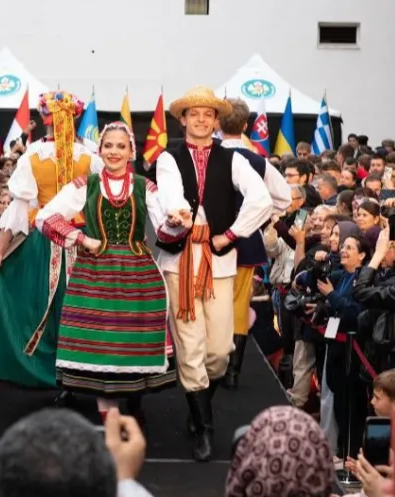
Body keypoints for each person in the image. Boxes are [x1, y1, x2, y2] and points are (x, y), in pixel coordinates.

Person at [35, 122, 182, 425]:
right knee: (100, 348)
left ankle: (134, 404)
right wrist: (82, 238)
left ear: (131, 152)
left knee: (131, 344)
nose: (114, 151)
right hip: (95, 273)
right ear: (100, 150)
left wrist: (175, 223)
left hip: (137, 274)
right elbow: (45, 217)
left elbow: (164, 232)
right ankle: (110, 420)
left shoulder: (144, 187)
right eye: (108, 146)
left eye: (121, 146)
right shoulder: (85, 184)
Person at [155, 86, 273, 461]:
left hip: (218, 260)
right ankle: (203, 426)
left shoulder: (232, 158)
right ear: (183, 119)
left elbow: (261, 199)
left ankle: (199, 403)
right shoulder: (169, 157)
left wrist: (232, 234)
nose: (202, 119)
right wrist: (178, 213)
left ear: (217, 120)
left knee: (220, 351)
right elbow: (170, 192)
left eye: (208, 114)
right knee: (190, 347)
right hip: (180, 259)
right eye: (195, 113)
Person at [0, 92, 104, 389]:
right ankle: (81, 369)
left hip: (47, 239)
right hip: (80, 239)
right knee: (82, 306)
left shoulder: (34, 156)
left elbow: (19, 207)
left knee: (40, 307)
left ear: (44, 119)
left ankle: (51, 369)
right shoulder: (90, 156)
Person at [216, 98, 291, 389]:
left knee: (210, 300)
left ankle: (213, 362)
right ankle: (232, 371)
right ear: (246, 125)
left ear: (217, 122)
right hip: (245, 241)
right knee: (237, 303)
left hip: (211, 239)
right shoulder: (257, 160)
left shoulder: (209, 156)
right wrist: (259, 218)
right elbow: (283, 197)